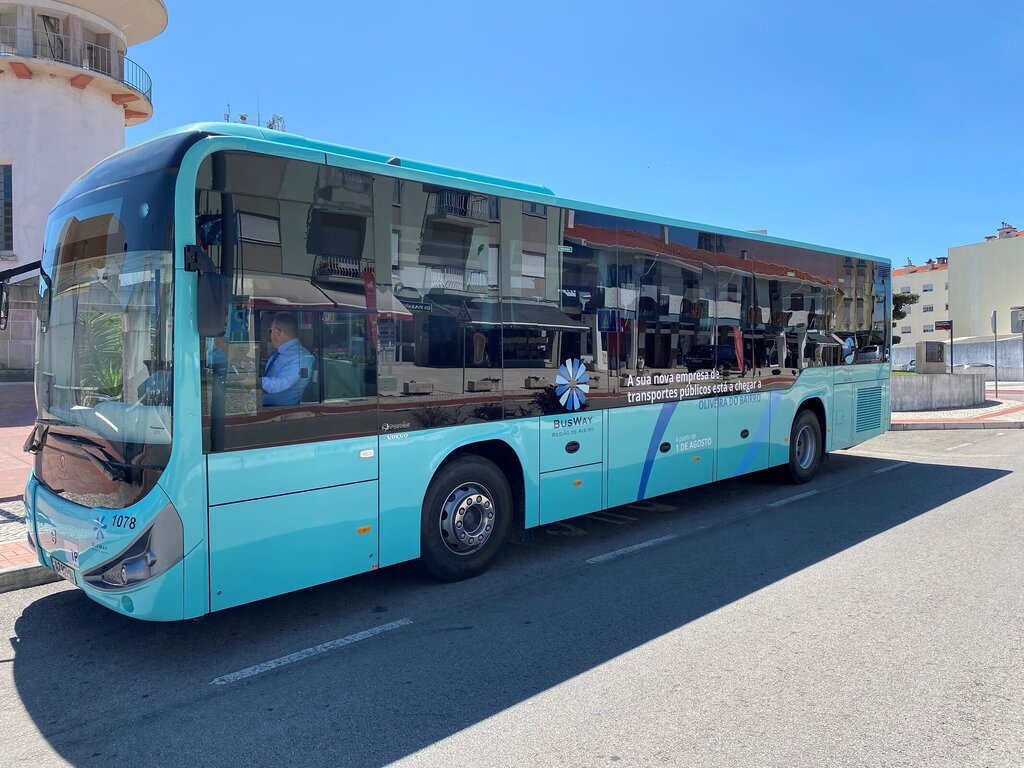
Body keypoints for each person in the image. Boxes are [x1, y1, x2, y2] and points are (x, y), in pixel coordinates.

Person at [245, 313, 314, 406]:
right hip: (261, 402)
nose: (269, 335)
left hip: (278, 410)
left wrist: (255, 382)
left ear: (277, 332)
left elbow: (280, 384)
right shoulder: (280, 352)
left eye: (270, 331)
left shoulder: (302, 358)